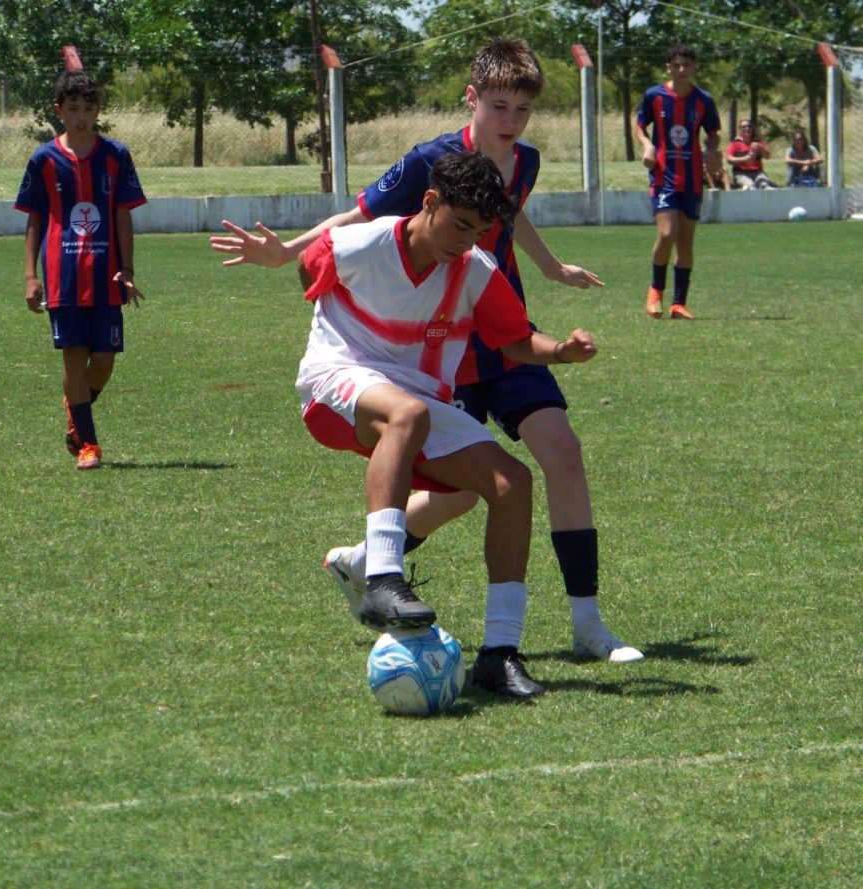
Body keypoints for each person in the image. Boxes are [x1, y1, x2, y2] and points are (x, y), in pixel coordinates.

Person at [212, 37, 643, 665]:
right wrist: (286, 253)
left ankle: (588, 624)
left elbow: (511, 215)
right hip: (442, 345)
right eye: (499, 107)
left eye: (521, 111)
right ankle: (372, 564)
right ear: (472, 99)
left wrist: (549, 268)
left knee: (563, 454)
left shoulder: (523, 162)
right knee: (463, 487)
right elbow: (359, 216)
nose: (510, 122)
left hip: (503, 325)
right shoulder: (429, 163)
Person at [296, 150, 598, 700]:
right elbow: (311, 265)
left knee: (512, 482)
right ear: (429, 202)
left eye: (479, 233)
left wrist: (561, 352)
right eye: (459, 226)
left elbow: (512, 339)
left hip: (413, 398)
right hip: (335, 379)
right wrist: (342, 331)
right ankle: (383, 580)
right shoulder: (365, 243)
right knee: (404, 414)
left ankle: (500, 653)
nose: (466, 242)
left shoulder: (474, 269)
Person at [15, 69, 147, 470]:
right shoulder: (44, 159)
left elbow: (123, 215)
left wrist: (127, 268)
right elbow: (34, 218)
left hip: (107, 277)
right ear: (59, 111)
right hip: (64, 276)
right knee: (73, 356)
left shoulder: (116, 156)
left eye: (88, 109)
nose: (81, 117)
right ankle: (88, 444)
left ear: (98, 111)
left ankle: (75, 407)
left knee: (104, 361)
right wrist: (31, 276)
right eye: (73, 109)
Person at [636, 43, 723, 321]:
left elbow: (713, 134)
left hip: (693, 179)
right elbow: (639, 125)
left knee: (685, 243)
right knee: (666, 234)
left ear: (694, 67)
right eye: (676, 65)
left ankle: (678, 304)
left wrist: (711, 151)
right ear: (668, 67)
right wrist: (647, 145)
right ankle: (655, 292)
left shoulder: (703, 101)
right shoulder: (655, 96)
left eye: (687, 64)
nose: (682, 69)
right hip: (664, 176)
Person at [726, 120, 775, 191]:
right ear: (740, 129)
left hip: (757, 172)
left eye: (749, 126)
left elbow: (767, 156)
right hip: (741, 173)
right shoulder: (734, 144)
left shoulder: (758, 142)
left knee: (764, 186)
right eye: (744, 127)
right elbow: (729, 159)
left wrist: (760, 147)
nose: (747, 129)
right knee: (751, 187)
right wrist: (745, 158)